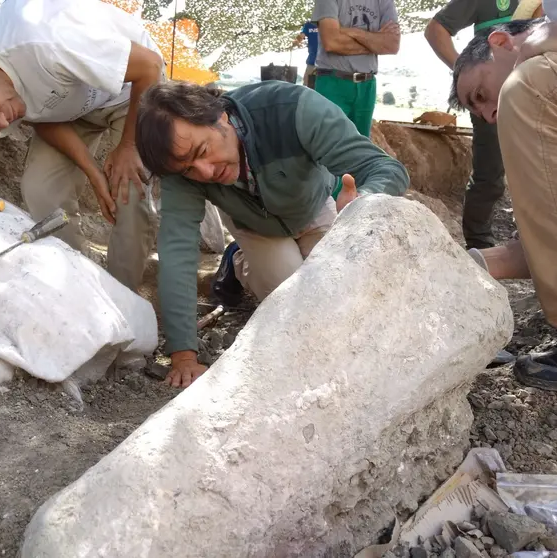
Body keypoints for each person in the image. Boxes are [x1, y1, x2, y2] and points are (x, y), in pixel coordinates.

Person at [135, 80, 409, 389]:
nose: (205, 173)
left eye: (203, 151)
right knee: (294, 298)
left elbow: (385, 167)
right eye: (188, 170)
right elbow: (177, 252)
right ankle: (241, 264)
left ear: (220, 116)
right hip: (254, 224)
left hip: (312, 205)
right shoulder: (179, 165)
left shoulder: (293, 109)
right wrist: (184, 354)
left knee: (338, 289)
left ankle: (239, 258)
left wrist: (365, 199)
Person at [0, 0, 165, 292]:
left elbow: (149, 66)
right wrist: (93, 172)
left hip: (134, 91)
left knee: (130, 188)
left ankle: (122, 296)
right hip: (72, 105)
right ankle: (80, 290)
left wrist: (128, 146)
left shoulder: (45, 38)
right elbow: (39, 112)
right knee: (41, 190)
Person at [450, 0, 557, 393]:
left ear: (501, 42)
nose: (489, 115)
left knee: (531, 90)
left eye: (481, 94)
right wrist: (472, 264)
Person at [425, 0, 520, 251]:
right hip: (492, 100)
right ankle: (479, 248)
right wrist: (467, 74)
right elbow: (436, 30)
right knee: (490, 175)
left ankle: (538, 249)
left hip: (546, 96)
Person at [311, 0, 400, 143]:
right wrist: (375, 42)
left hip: (367, 85)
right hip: (333, 83)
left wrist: (352, 32)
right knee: (326, 146)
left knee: (360, 148)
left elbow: (392, 45)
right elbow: (332, 42)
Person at [293, 21, 320, 89]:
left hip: (326, 61)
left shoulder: (328, 22)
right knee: (306, 85)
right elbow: (302, 35)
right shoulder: (308, 25)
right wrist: (297, 41)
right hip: (312, 60)